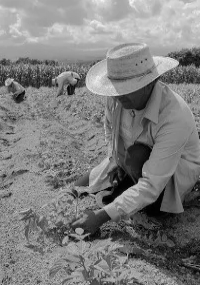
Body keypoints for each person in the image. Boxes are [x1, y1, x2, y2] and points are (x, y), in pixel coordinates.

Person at [71, 42, 200, 234]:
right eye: (115, 89)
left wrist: (100, 217)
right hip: (130, 162)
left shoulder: (174, 116)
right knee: (82, 184)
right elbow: (109, 127)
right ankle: (122, 177)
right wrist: (114, 159)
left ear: (149, 83)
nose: (117, 96)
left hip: (168, 176)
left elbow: (151, 185)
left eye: (126, 89)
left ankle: (139, 196)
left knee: (137, 156)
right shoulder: (117, 98)